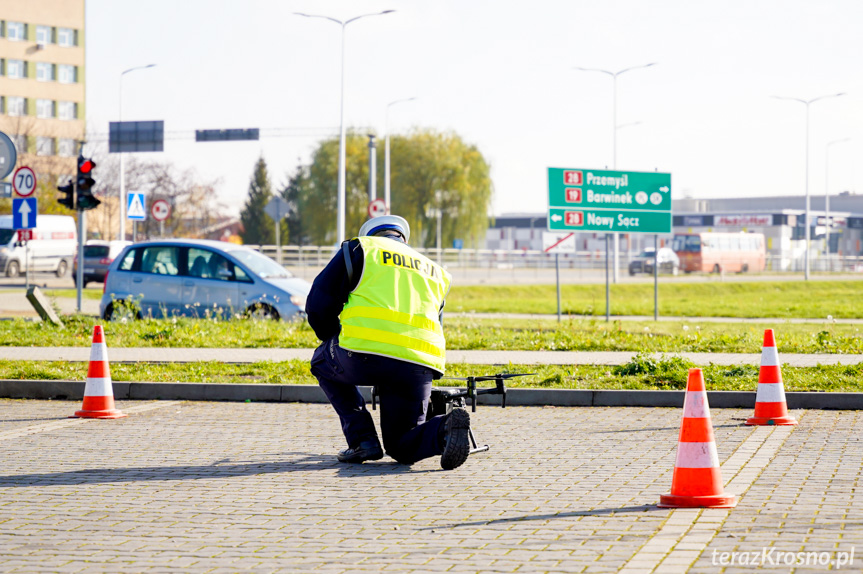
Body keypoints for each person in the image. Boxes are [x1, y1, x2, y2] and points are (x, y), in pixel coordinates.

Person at [307, 215, 471, 470]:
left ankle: (363, 440)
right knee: (401, 444)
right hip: (417, 362)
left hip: (361, 354)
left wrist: (331, 337)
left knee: (320, 361)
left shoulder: (360, 249)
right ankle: (445, 429)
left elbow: (319, 302)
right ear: (402, 238)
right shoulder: (433, 269)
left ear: (371, 234)